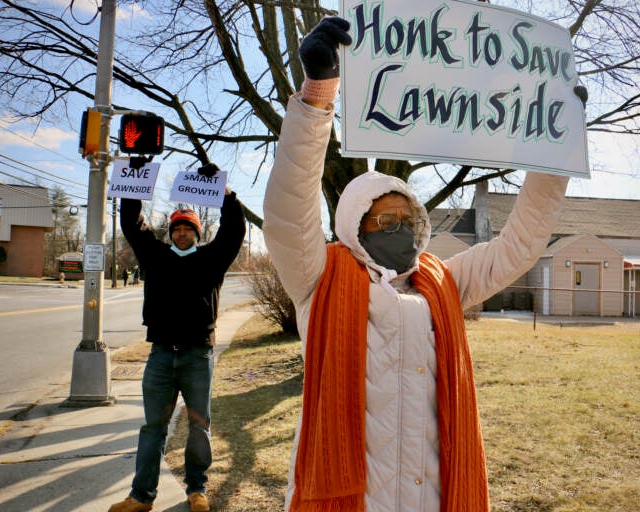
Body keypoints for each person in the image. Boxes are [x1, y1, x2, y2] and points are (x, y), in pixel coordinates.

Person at [263, 17, 584, 512]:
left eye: (407, 219)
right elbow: (289, 211)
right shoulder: (319, 280)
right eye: (384, 220)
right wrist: (317, 98)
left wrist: (553, 155)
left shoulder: (445, 282)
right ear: (354, 227)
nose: (400, 229)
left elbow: (520, 245)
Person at [109, 172, 246, 512]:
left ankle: (196, 489)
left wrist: (226, 194)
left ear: (198, 233)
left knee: (199, 426)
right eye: (177, 228)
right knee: (152, 428)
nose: (182, 233)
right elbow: (132, 224)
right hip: (159, 358)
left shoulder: (212, 260)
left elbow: (234, 231)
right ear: (170, 233)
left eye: (189, 228)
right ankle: (142, 496)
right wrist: (134, 182)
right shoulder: (155, 257)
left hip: (197, 357)